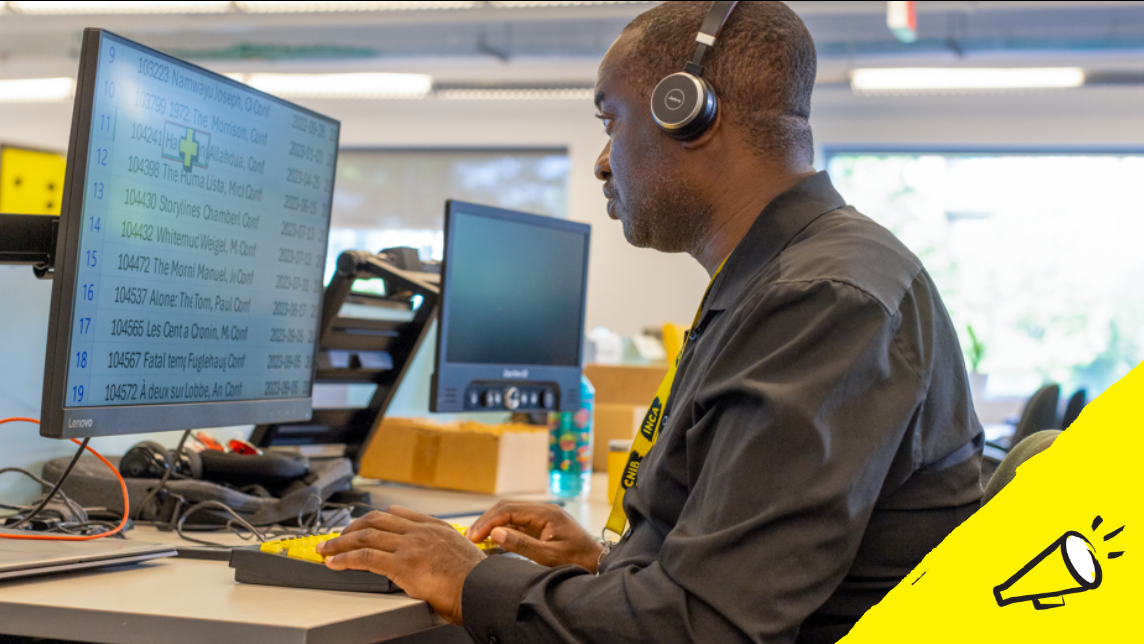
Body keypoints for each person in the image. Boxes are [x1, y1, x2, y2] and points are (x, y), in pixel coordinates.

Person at [316, 2, 984, 642]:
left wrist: (471, 577)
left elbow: (705, 627)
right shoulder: (782, 279)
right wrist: (609, 568)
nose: (604, 160)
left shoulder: (821, 300)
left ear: (687, 114)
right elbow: (735, 575)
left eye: (611, 121)